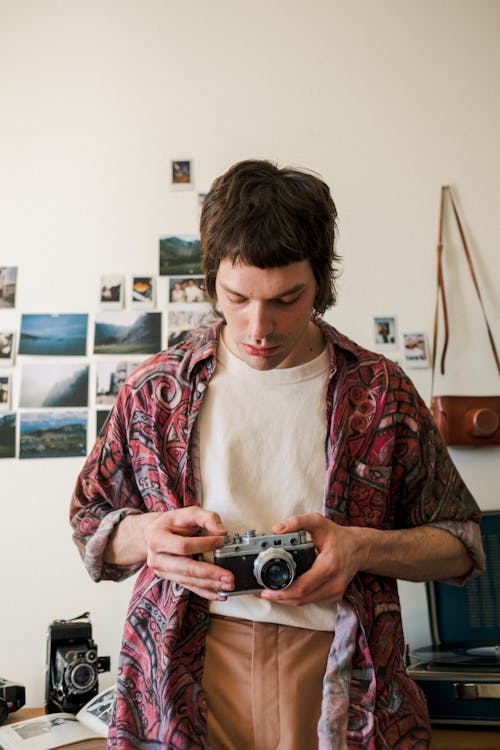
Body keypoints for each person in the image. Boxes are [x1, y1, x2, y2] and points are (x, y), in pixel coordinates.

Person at [70, 160, 485, 750]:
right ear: (212, 279)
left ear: (322, 285)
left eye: (287, 300)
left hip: (343, 676)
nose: (257, 327)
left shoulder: (380, 390)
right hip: (180, 677)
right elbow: (89, 525)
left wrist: (363, 547)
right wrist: (147, 536)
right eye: (236, 298)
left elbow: (461, 545)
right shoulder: (155, 389)